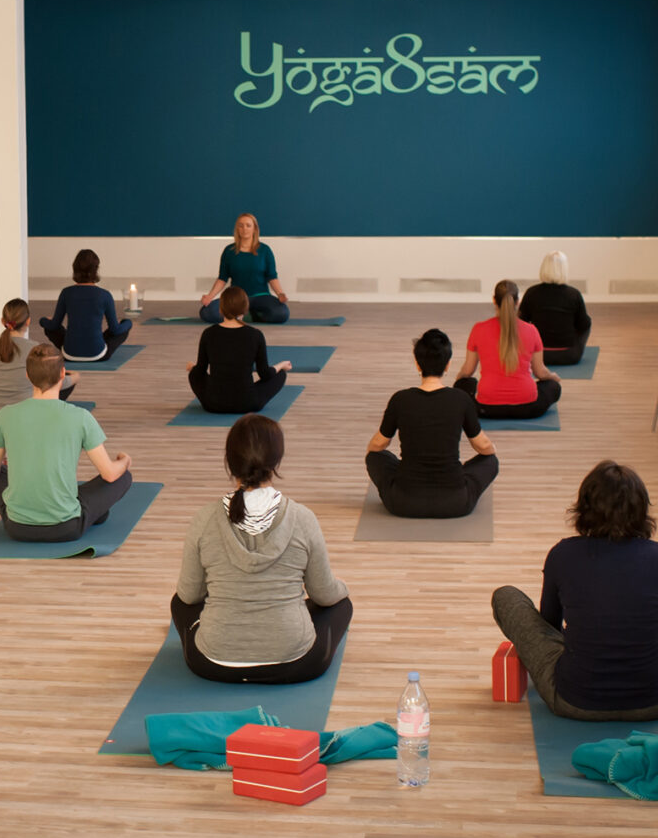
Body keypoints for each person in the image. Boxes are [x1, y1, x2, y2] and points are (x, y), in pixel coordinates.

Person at [492, 461, 658, 721]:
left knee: (505, 596)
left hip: (572, 701)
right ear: (641, 509)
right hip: (655, 702)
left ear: (584, 508)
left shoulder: (562, 554)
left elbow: (549, 625)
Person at [172, 415, 351, 684]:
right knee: (341, 605)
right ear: (276, 461)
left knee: (179, 603)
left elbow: (189, 595)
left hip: (214, 663)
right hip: (295, 663)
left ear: (230, 462)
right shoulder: (302, 518)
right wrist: (343, 587)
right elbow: (324, 594)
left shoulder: (204, 518)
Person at [0, 343, 132, 542]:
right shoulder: (81, 417)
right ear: (63, 374)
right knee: (123, 477)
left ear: (27, 375)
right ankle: (93, 513)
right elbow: (110, 474)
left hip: (17, 528)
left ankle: (90, 512)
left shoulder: (5, 415)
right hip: (66, 528)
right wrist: (124, 461)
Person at [366, 328, 499, 518]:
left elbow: (379, 444)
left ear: (417, 364)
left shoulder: (400, 399)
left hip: (403, 503)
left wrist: (370, 450)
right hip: (455, 503)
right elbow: (483, 446)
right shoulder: (461, 399)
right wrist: (492, 449)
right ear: (447, 365)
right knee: (490, 461)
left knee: (375, 457)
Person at [454, 279, 563, 420]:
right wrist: (552, 377)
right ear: (517, 302)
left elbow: (467, 371)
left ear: (494, 300)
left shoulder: (478, 329)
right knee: (553, 386)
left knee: (463, 385)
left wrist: (458, 380)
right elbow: (540, 372)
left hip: (486, 409)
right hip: (528, 408)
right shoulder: (531, 330)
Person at [185, 286, 292, 414]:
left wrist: (193, 368)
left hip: (214, 403)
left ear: (220, 309)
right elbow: (265, 374)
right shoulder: (255, 335)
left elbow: (200, 372)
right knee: (280, 374)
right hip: (248, 402)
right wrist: (281, 365)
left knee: (194, 374)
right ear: (245, 309)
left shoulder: (208, 333)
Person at [0, 298, 78, 419]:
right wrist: (74, 377)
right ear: (28, 321)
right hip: (28, 419)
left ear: (3, 321)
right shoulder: (34, 349)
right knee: (55, 379)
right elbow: (53, 381)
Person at [39, 249, 132, 362]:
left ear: (75, 269)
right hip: (98, 355)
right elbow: (115, 330)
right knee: (122, 328)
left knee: (51, 328)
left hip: (69, 354)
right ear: (96, 270)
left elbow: (54, 326)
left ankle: (77, 346)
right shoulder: (105, 295)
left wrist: (43, 320)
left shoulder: (66, 293)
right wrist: (128, 323)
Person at [198, 213, 289, 324]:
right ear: (237, 229)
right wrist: (210, 296)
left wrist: (280, 294)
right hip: (236, 297)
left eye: (248, 225)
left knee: (282, 313)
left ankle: (243, 316)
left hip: (260, 297)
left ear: (255, 229)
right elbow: (222, 278)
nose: (244, 229)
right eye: (241, 226)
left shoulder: (265, 250)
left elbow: (272, 277)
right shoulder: (229, 251)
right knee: (207, 312)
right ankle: (247, 315)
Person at [521, 251, 593, 366]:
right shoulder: (574, 294)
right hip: (569, 355)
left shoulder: (531, 293)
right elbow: (584, 325)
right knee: (587, 322)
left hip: (537, 356)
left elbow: (520, 322)